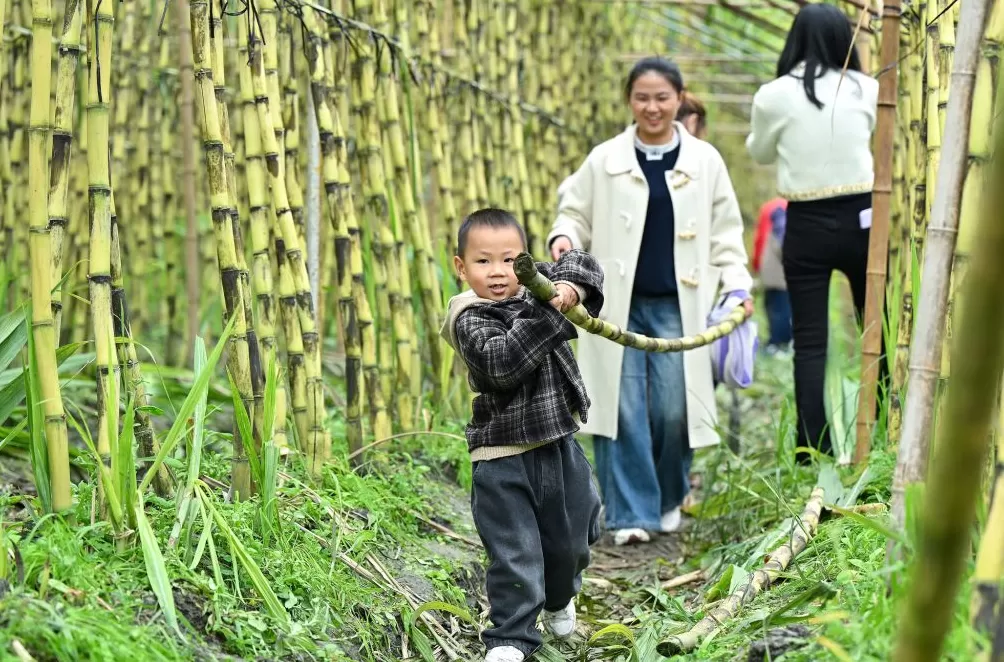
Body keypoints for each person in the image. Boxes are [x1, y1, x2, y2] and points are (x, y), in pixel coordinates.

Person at [548, 57, 753, 546]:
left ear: (680, 99)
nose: (653, 107)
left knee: (672, 408)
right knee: (621, 409)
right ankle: (629, 514)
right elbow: (573, 210)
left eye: (663, 97)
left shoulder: (705, 162)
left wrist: (737, 285)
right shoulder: (605, 159)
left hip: (679, 304)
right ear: (629, 101)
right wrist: (564, 237)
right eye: (642, 97)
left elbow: (726, 231)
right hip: (615, 304)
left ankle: (667, 496)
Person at [440, 208, 605, 662]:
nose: (498, 273)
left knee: (571, 540)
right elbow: (504, 363)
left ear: (526, 260)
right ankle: (510, 638)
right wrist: (547, 308)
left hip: (558, 443)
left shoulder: (533, 286)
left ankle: (559, 599)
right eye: (483, 262)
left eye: (510, 260)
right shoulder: (468, 318)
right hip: (501, 457)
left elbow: (584, 263)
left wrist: (569, 288)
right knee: (514, 551)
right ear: (461, 267)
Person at [746, 3, 886, 459]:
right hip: (863, 219)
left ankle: (812, 448)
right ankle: (881, 429)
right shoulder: (868, 88)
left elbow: (761, 152)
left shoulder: (772, 94)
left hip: (804, 222)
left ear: (795, 39)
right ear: (844, 40)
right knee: (876, 329)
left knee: (809, 342)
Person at [752, 196, 792, 355]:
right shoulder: (781, 208)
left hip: (771, 270)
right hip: (778, 272)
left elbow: (760, 240)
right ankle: (778, 345)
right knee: (780, 308)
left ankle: (777, 343)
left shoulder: (771, 206)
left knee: (776, 307)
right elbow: (782, 240)